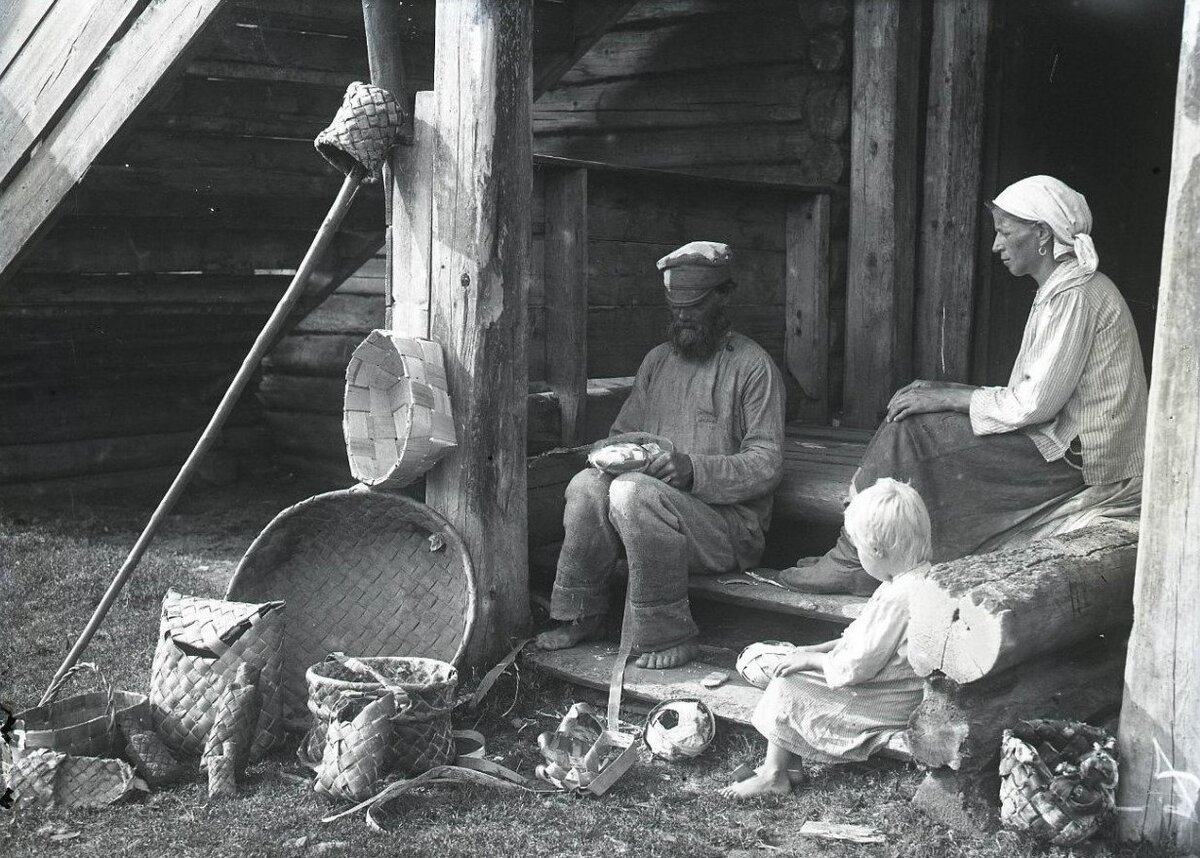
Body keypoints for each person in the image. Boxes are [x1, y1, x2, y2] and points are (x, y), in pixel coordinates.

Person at [783, 175, 1148, 596]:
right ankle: (863, 550)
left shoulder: (1075, 296)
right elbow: (1034, 394)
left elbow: (1033, 406)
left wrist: (950, 396)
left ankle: (856, 559)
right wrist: (945, 390)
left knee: (914, 430)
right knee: (919, 411)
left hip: (1080, 463)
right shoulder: (1063, 288)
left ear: (1043, 235)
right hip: (1060, 445)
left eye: (1006, 233)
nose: (996, 245)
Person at [534, 240, 786, 670]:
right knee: (586, 485)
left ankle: (668, 633)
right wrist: (609, 452)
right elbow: (621, 435)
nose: (683, 315)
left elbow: (767, 464)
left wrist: (693, 468)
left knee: (633, 493)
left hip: (726, 527)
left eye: (695, 304)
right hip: (653, 510)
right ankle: (582, 613)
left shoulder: (752, 367)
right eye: (676, 306)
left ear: (725, 297)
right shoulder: (657, 362)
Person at [721, 478, 931, 799]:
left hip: (886, 700)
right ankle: (790, 766)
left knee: (788, 683)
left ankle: (775, 775)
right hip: (892, 686)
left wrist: (810, 661)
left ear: (876, 550)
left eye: (859, 548)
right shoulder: (910, 579)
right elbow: (860, 638)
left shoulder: (897, 597)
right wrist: (814, 650)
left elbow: (857, 665)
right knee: (796, 668)